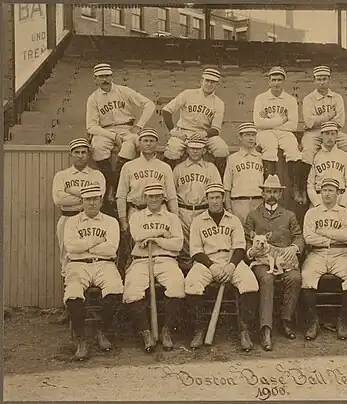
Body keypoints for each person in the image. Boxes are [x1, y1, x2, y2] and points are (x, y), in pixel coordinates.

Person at [184, 182, 259, 351]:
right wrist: (212, 266)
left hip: (231, 260)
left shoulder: (233, 220)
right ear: (207, 199)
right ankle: (199, 330)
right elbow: (195, 251)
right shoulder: (198, 221)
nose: (215, 201)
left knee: (250, 283)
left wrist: (231, 266)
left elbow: (240, 247)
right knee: (191, 284)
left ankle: (244, 331)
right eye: (211, 198)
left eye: (218, 197)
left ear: (223, 198)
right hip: (206, 261)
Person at [62, 185, 123, 360]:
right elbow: (71, 247)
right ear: (82, 202)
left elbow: (111, 249)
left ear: (101, 201)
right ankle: (81, 339)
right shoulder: (72, 222)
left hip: (104, 264)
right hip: (78, 264)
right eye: (88, 199)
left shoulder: (111, 222)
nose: (92, 203)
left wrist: (84, 247)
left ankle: (101, 331)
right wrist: (96, 241)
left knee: (115, 288)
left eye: (95, 199)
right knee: (73, 292)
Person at [244, 175, 304, 351]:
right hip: (262, 260)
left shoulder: (289, 215)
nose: (271, 195)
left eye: (275, 192)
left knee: (295, 278)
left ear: (280, 195)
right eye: (268, 191)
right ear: (262, 194)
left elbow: (299, 237)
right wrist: (251, 252)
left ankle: (286, 321)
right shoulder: (253, 215)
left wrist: (294, 248)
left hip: (284, 258)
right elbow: (246, 240)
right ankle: (266, 329)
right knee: (267, 279)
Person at [124, 183, 185, 353]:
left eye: (158, 196)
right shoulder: (136, 217)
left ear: (163, 198)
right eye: (151, 196)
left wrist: (157, 240)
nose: (154, 199)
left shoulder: (172, 218)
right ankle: (146, 332)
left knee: (177, 284)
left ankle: (167, 330)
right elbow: (137, 235)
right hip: (141, 260)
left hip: (166, 259)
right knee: (132, 289)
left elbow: (178, 244)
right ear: (145, 198)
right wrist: (162, 234)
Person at [52, 138, 106, 324]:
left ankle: (92, 307)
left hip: (91, 221)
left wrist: (73, 192)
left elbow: (97, 198)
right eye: (77, 152)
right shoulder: (62, 175)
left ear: (89, 155)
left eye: (84, 152)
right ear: (71, 154)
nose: (80, 155)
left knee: (91, 258)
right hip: (68, 219)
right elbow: (59, 199)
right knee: (67, 260)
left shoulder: (97, 175)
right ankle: (69, 308)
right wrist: (85, 197)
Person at [301, 178, 347, 341]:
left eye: (331, 190)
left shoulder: (345, 212)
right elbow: (308, 238)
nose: (327, 194)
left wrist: (322, 233)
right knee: (306, 277)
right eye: (324, 190)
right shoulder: (312, 212)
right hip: (317, 253)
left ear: (338, 193)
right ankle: (313, 321)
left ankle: (342, 321)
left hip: (341, 253)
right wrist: (331, 239)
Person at [86, 63, 155, 201]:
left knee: (129, 146)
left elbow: (150, 104)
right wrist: (113, 136)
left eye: (107, 76)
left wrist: (139, 126)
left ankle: (116, 189)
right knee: (97, 146)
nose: (105, 79)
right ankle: (112, 185)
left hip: (126, 128)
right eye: (101, 77)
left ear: (112, 76)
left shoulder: (124, 91)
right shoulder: (93, 98)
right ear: (95, 79)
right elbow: (91, 127)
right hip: (106, 130)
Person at [301, 65, 347, 204]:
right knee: (308, 152)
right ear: (314, 80)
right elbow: (309, 122)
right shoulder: (309, 99)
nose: (322, 82)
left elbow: (340, 121)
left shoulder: (337, 98)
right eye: (319, 79)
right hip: (314, 133)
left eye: (324, 79)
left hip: (333, 131)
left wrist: (320, 120)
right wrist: (329, 116)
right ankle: (303, 191)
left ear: (330, 80)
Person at [162, 68, 229, 176]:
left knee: (222, 149)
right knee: (172, 151)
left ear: (217, 84)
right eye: (207, 80)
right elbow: (166, 110)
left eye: (213, 82)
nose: (209, 84)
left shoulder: (219, 103)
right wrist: (173, 131)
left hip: (204, 134)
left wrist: (205, 133)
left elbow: (216, 129)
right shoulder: (187, 94)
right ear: (201, 81)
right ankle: (167, 180)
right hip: (184, 132)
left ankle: (219, 180)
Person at [252, 66, 302, 202]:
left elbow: (293, 125)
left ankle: (294, 188)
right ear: (269, 81)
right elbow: (258, 123)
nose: (276, 83)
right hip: (265, 132)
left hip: (284, 132)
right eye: (273, 80)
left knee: (293, 150)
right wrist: (282, 120)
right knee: (270, 147)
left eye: (279, 80)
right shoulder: (261, 98)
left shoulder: (290, 100)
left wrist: (268, 121)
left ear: (284, 81)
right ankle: (269, 187)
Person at [173, 138, 221, 270]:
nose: (195, 151)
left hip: (203, 209)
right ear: (187, 150)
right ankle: (186, 273)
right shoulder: (179, 168)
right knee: (184, 245)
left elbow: (217, 190)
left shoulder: (211, 168)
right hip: (184, 210)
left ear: (204, 150)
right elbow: (172, 192)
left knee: (203, 242)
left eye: (198, 148)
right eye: (192, 148)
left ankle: (201, 271)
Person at [307, 121, 347, 209]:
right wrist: (317, 204)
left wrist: (343, 204)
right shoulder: (315, 156)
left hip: (340, 197)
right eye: (326, 134)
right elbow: (310, 184)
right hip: (320, 198)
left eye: (332, 134)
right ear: (322, 135)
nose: (330, 137)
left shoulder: (345, 156)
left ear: (336, 135)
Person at [223, 122, 264, 224]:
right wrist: (229, 209)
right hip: (238, 202)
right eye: (247, 135)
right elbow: (227, 187)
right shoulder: (232, 158)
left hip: (258, 201)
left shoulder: (262, 158)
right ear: (240, 137)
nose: (251, 138)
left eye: (253, 135)